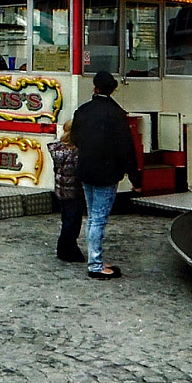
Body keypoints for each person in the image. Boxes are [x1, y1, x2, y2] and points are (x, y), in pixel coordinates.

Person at [70, 70, 141, 280]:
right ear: (113, 89)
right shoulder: (117, 115)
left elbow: (75, 137)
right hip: (108, 172)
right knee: (99, 218)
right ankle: (95, 264)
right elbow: (126, 149)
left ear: (95, 87)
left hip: (86, 169)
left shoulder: (82, 111)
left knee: (92, 216)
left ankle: (96, 257)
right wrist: (135, 179)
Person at [48, 117, 84, 263]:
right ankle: (67, 248)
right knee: (73, 221)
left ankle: (64, 247)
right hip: (73, 190)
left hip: (60, 188)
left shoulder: (57, 148)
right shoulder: (75, 152)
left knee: (66, 219)